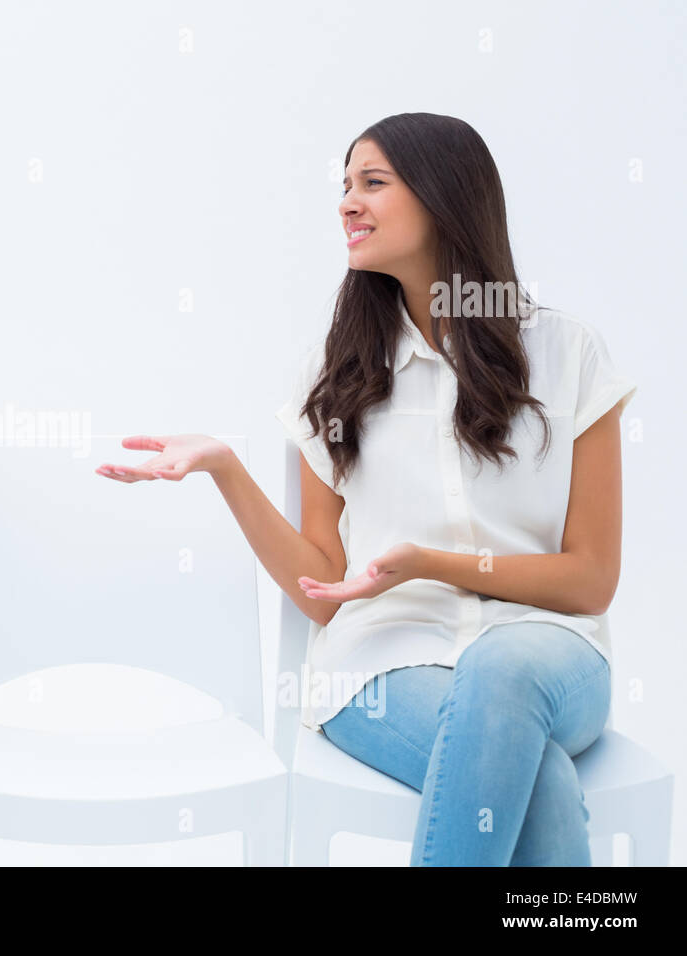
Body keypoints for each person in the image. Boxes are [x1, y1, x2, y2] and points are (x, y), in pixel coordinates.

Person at [96, 112, 636, 866]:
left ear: (445, 195)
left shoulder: (567, 354)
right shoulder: (338, 373)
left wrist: (432, 564)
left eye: (372, 183)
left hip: (550, 656)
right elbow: (324, 591)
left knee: (500, 670)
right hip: (384, 664)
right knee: (536, 777)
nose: (347, 203)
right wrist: (225, 467)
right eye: (343, 187)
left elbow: (589, 581)